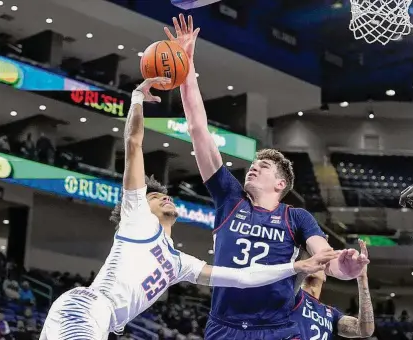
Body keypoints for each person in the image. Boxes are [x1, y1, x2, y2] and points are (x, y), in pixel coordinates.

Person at [39, 77, 339, 340]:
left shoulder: (177, 262)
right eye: (156, 198)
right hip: (84, 309)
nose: (165, 197)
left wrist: (295, 267)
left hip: (102, 323)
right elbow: (133, 142)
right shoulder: (136, 221)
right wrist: (137, 99)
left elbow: (240, 277)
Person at [165, 14, 370, 339]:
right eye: (254, 164)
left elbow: (323, 258)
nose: (254, 167)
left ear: (281, 184)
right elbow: (198, 129)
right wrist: (187, 67)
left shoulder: (296, 217)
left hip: (274, 327)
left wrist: (344, 268)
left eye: (265, 166)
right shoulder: (229, 198)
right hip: (224, 325)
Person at [291, 240, 374, 339]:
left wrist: (362, 278)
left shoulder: (330, 314)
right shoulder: (291, 297)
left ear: (325, 275)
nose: (315, 263)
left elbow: (364, 331)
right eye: (310, 259)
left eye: (321, 262)